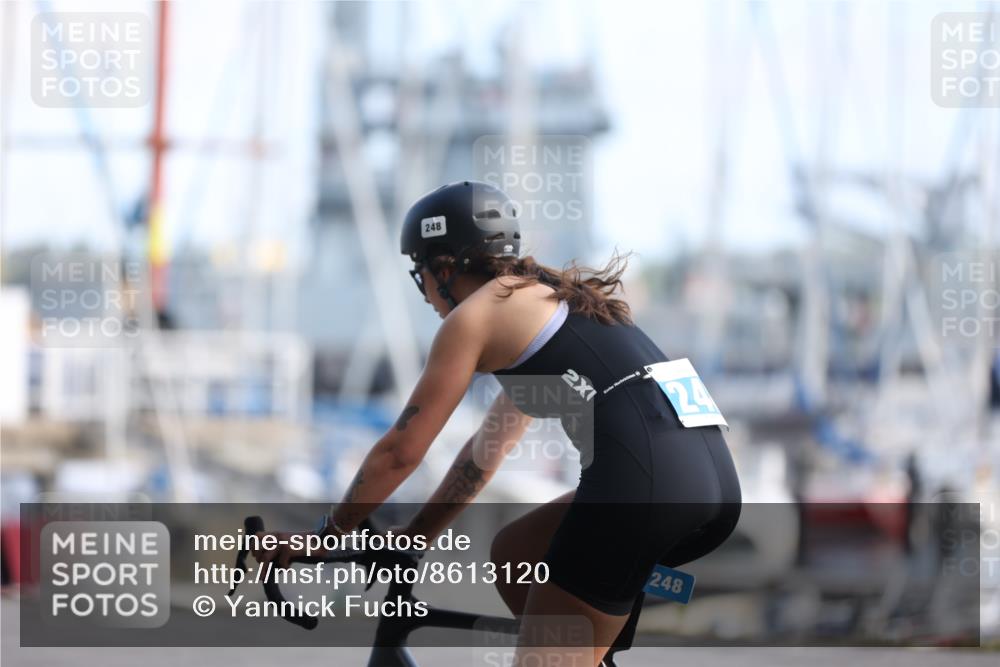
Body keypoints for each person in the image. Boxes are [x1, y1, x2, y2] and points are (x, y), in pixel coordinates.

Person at [257, 180, 742, 666]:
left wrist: (325, 536)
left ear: (444, 268)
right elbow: (485, 453)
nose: (424, 293)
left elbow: (400, 452)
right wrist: (416, 536)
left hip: (648, 480)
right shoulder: (550, 302)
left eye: (419, 272)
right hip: (710, 475)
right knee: (517, 553)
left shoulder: (474, 318)